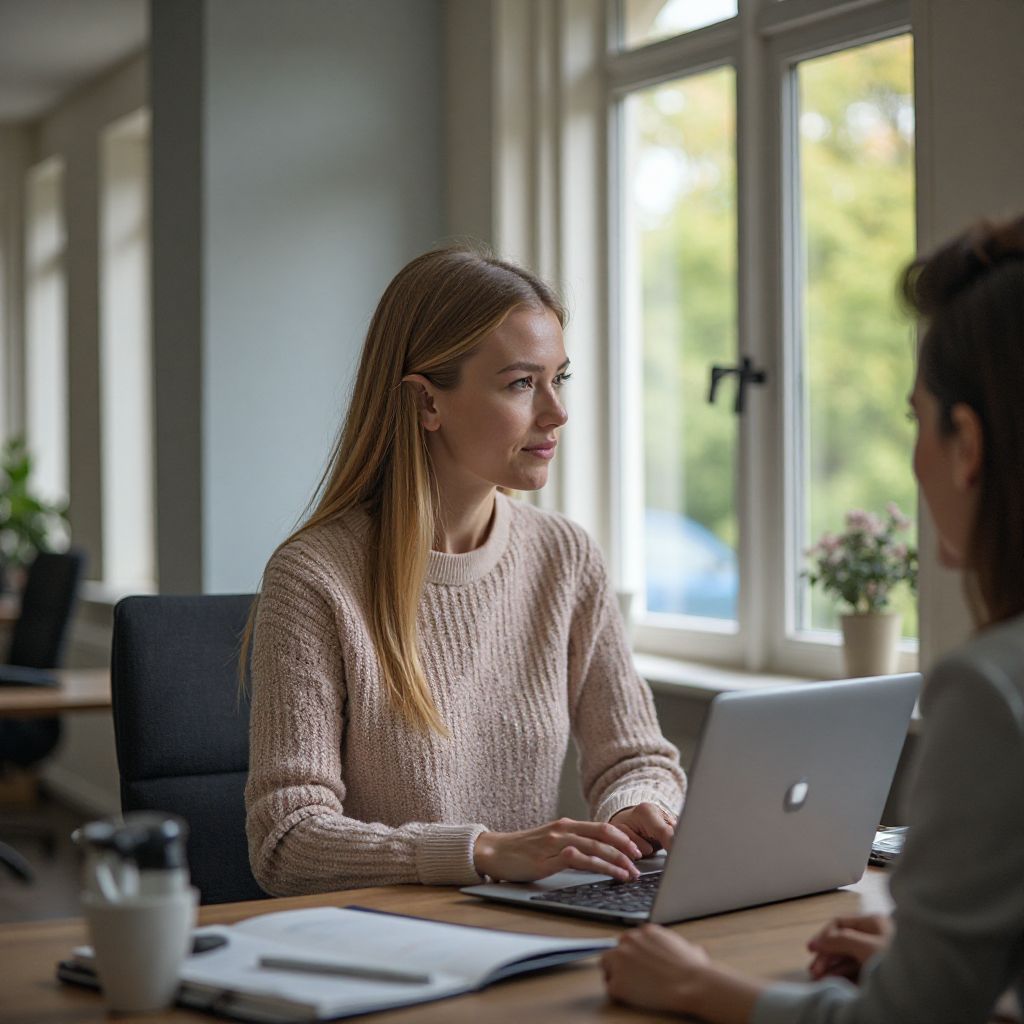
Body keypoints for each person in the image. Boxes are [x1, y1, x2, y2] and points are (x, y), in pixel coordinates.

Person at [601, 215, 1024, 1023]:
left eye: (916, 420)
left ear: (967, 444)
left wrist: (696, 984)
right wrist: (934, 963)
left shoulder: (992, 690)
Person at [244, 245, 686, 896]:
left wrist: (632, 807)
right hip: (389, 937)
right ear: (426, 402)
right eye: (521, 383)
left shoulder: (565, 557)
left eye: (559, 378)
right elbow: (286, 841)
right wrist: (482, 852)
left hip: (531, 929)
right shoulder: (313, 578)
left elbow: (638, 757)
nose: (557, 412)